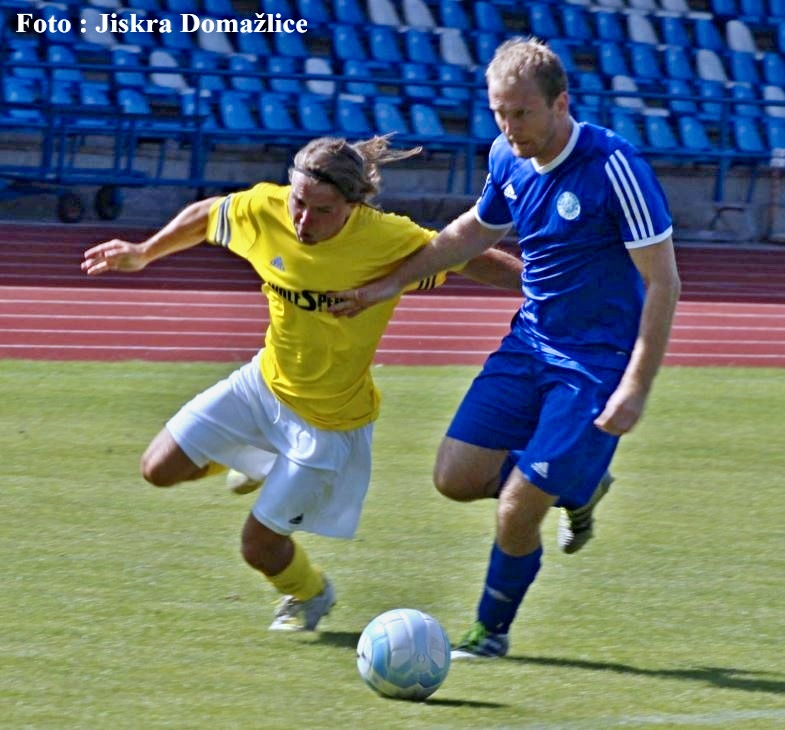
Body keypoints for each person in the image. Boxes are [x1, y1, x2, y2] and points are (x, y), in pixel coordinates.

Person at [81, 135, 523, 632]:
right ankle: (264, 460)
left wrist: (545, 285)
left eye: (322, 210)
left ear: (354, 206)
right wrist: (144, 252)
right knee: (158, 469)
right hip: (262, 386)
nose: (303, 221)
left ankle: (311, 594)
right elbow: (207, 215)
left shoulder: (387, 238)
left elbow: (466, 256)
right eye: (298, 202)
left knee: (258, 547)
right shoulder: (264, 208)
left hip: (329, 423)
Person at [329, 38, 682, 657]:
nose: (510, 127)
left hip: (594, 365)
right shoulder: (505, 155)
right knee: (455, 477)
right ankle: (577, 485)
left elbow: (663, 281)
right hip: (529, 343)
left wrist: (636, 385)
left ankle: (489, 630)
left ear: (561, 103)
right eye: (499, 113)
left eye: (522, 113)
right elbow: (472, 232)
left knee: (518, 507)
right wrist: (388, 285)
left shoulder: (613, 167)